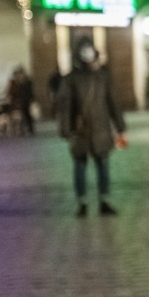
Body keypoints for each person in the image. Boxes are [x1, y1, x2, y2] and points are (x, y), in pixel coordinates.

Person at [56, 37, 128, 217]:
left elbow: (113, 103)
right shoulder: (71, 79)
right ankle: (82, 203)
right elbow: (65, 106)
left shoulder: (103, 76)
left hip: (100, 128)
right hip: (80, 130)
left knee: (103, 165)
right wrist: (65, 129)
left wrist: (120, 126)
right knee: (80, 166)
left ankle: (104, 200)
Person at [7, 65, 36, 136]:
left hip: (25, 100)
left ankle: (27, 129)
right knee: (24, 115)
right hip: (22, 100)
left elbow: (27, 91)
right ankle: (24, 129)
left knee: (26, 114)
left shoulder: (25, 82)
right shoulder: (19, 82)